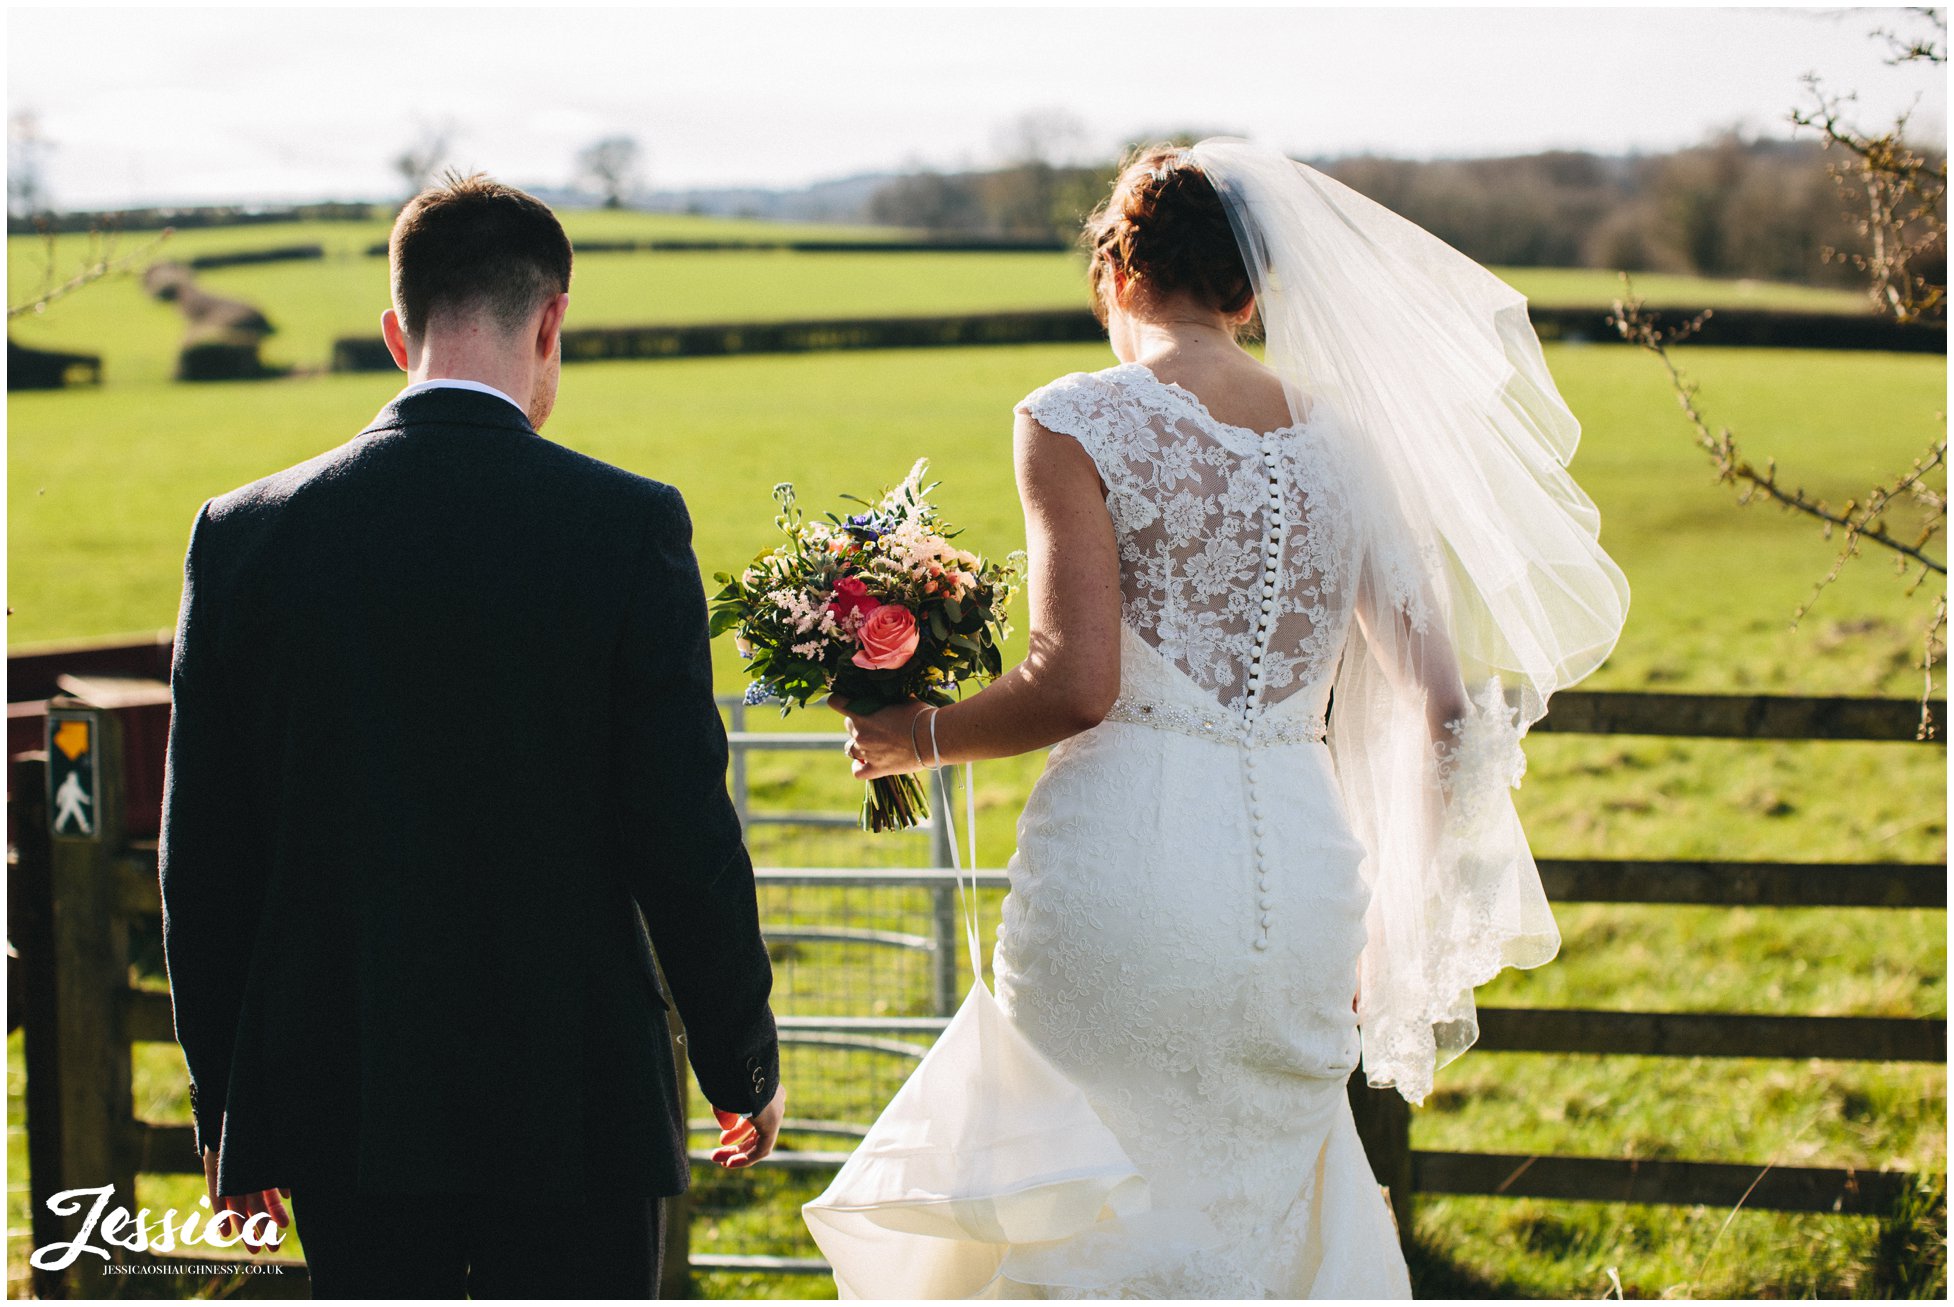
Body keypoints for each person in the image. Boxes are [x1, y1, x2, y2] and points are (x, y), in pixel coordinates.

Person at [812, 139, 1629, 1297]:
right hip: (1298, 884)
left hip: (1124, 873)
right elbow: (1449, 713)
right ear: (1252, 289)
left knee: (1078, 1196)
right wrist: (1392, 928)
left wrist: (918, 734)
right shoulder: (1350, 439)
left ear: (1114, 271)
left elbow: (1075, 680)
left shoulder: (1073, 417)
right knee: (1262, 1204)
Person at [158, 173, 784, 1299]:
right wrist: (738, 1051)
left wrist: (231, 1106)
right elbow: (680, 825)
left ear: (398, 330)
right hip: (573, 1089)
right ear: (550, 322)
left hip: (345, 1089)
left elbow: (203, 855)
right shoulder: (627, 524)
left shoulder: (243, 537)